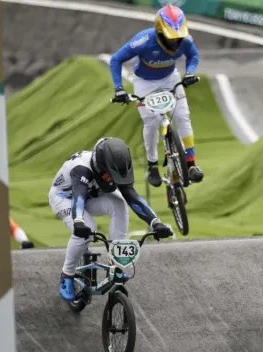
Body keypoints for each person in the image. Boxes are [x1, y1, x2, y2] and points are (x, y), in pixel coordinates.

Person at [48, 137, 173, 302]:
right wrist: (79, 222)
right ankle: (67, 274)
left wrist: (156, 222)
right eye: (109, 176)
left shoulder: (117, 169)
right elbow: (78, 199)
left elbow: (133, 198)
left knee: (120, 203)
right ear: (99, 167)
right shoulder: (82, 169)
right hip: (66, 197)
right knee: (88, 229)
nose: (112, 180)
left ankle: (116, 260)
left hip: (90, 195)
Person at [109, 4, 203, 188]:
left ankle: (191, 164)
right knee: (151, 123)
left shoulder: (185, 40)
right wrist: (119, 88)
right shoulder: (144, 40)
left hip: (170, 79)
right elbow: (116, 59)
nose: (176, 42)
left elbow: (194, 56)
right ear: (160, 32)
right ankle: (152, 165)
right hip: (144, 83)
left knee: (183, 117)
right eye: (171, 37)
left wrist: (190, 72)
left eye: (179, 37)